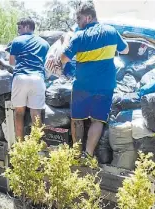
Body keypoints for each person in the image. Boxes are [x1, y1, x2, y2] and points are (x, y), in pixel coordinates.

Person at [59, 2, 129, 160]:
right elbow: (125, 50)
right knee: (97, 120)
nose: (77, 21)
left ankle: (76, 153)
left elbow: (63, 58)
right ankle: (88, 154)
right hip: (105, 86)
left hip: (82, 86)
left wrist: (65, 43)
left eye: (79, 18)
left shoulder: (79, 36)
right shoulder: (111, 31)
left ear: (88, 17)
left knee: (77, 119)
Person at [8, 18, 50, 140]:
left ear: (27, 27)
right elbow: (47, 63)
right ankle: (37, 144)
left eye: (19, 28)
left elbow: (11, 62)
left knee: (19, 112)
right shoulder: (44, 43)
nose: (18, 31)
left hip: (21, 78)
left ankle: (20, 144)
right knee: (36, 114)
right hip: (38, 79)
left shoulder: (16, 41)